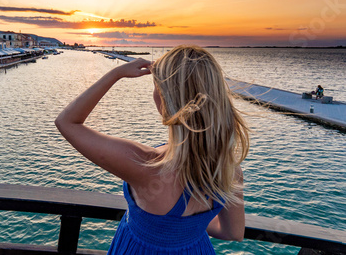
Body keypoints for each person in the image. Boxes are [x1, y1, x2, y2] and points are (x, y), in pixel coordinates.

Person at [55, 46, 249, 254]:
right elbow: (234, 233)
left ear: (167, 99)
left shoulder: (146, 165)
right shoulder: (229, 170)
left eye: (157, 87)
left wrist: (116, 73)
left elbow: (67, 122)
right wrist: (187, 226)